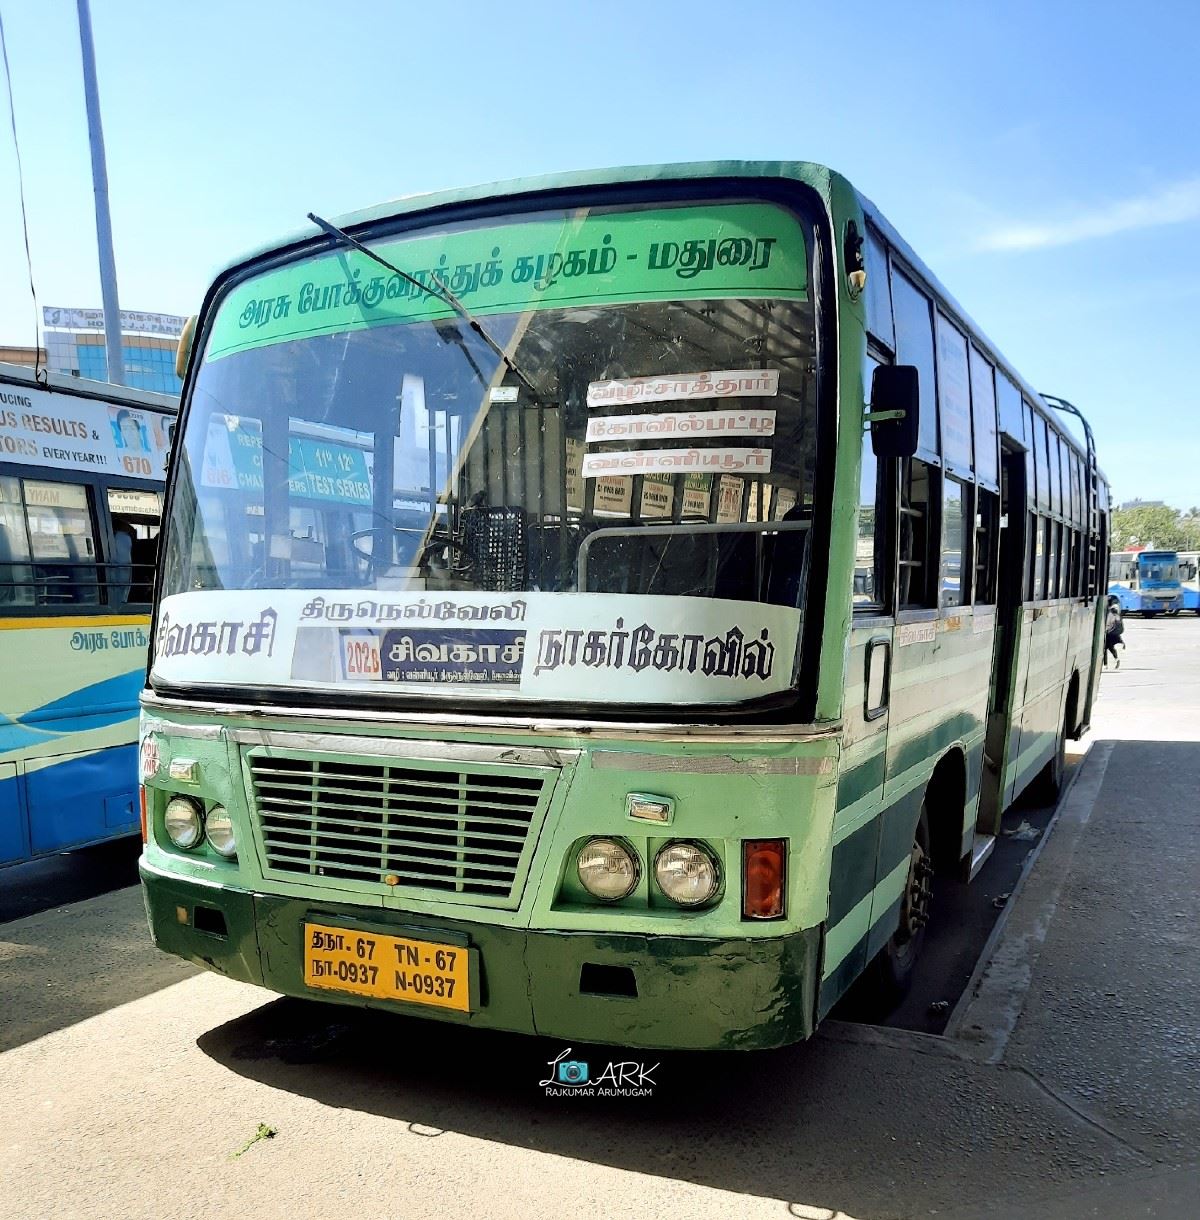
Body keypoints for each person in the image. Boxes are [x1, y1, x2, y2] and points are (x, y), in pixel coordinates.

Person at [1104, 595, 1124, 668]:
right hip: (1112, 633)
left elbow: (1108, 623)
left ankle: (1105, 664)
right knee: (1110, 647)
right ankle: (1116, 659)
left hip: (1108, 633)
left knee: (1105, 648)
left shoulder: (1110, 612)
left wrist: (1105, 630)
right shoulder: (1115, 610)